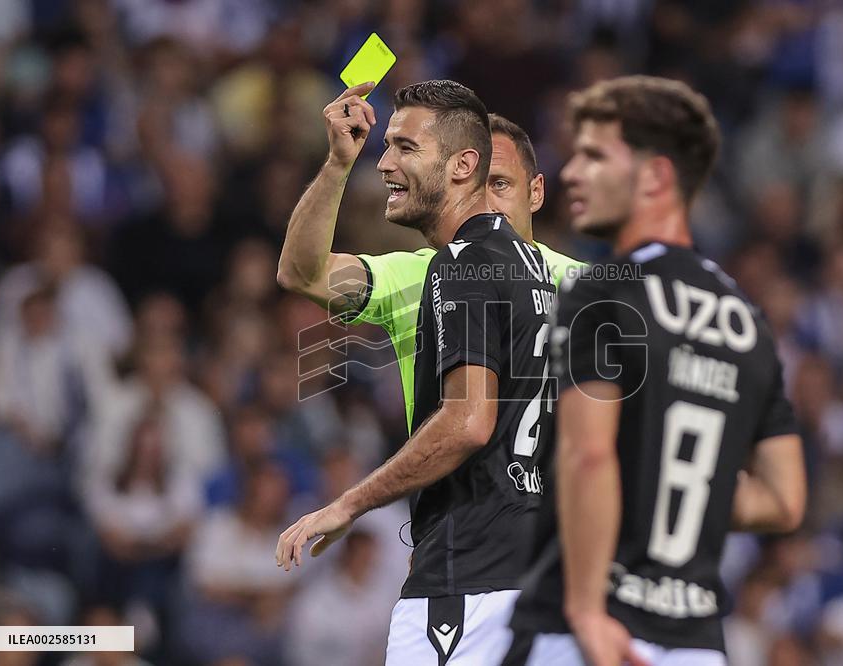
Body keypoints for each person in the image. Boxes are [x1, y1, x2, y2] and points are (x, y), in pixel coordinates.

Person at [502, 75, 807, 666]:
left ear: (656, 176)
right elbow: (784, 500)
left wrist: (587, 610)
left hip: (591, 631)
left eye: (594, 155)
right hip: (695, 641)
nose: (571, 173)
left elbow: (589, 456)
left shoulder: (604, 292)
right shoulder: (749, 323)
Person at [276, 80, 559, 665]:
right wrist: (336, 163)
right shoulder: (548, 278)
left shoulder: (458, 266)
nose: (385, 164)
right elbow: (301, 273)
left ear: (463, 167)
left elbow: (468, 422)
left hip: (470, 579)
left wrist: (348, 504)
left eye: (405, 148)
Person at [276, 83, 580, 432]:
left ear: (536, 193)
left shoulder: (581, 285)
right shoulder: (414, 275)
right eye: (474, 187)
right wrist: (337, 164)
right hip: (443, 485)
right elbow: (302, 273)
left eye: (498, 184)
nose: (484, 200)